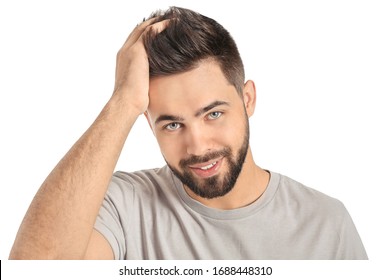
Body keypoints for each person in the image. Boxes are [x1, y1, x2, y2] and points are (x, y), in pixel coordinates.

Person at [9, 6, 367, 260]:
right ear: (149, 125)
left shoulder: (326, 223)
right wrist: (122, 102)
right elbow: (38, 268)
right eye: (173, 124)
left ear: (248, 99)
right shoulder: (124, 206)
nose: (197, 146)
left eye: (213, 113)